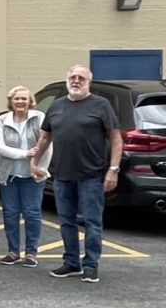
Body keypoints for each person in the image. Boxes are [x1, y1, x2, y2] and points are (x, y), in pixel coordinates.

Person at [30, 65, 123, 284]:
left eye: (81, 78)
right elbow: (45, 138)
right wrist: (34, 162)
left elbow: (116, 139)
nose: (76, 81)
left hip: (91, 176)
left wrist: (113, 170)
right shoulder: (57, 106)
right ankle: (71, 262)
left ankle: (91, 265)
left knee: (92, 222)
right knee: (66, 222)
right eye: (73, 77)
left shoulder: (101, 105)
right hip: (62, 176)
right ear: (67, 80)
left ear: (89, 82)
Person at [0, 86, 51, 268]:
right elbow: (0, 148)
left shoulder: (39, 118)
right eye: (16, 99)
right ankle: (12, 251)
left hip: (32, 175)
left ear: (30, 102)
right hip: (9, 175)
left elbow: (47, 145)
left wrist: (40, 168)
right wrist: (25, 153)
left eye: (24, 99)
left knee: (32, 214)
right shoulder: (3, 119)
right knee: (10, 214)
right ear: (11, 101)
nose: (20, 102)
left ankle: (32, 253)